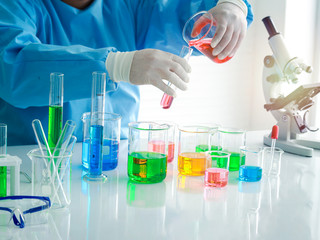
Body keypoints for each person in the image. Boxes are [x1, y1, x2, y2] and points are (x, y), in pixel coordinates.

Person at [0, 0, 253, 145]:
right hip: (31, 165)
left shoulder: (127, 5)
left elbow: (188, 18)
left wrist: (231, 6)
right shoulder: (13, 5)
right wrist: (115, 65)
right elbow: (12, 68)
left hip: (115, 157)